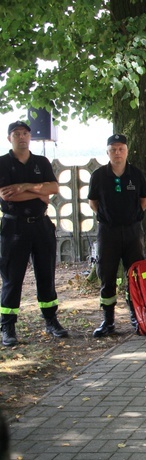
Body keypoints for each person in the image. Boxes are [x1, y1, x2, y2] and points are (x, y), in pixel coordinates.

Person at [0, 120, 68, 347]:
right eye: (16, 133)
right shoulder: (2, 163)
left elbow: (53, 189)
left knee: (46, 274)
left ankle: (51, 321)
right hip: (14, 228)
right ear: (9, 138)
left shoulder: (41, 162)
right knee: (12, 277)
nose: (22, 137)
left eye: (25, 133)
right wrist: (37, 190)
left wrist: (23, 186)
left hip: (41, 226)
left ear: (30, 137)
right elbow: (7, 195)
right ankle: (7, 325)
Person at [87, 134, 146, 337]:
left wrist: (130, 218)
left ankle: (137, 317)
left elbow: (144, 201)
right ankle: (108, 321)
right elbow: (93, 203)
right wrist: (108, 218)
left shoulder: (136, 174)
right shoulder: (98, 175)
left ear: (126, 151)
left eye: (121, 149)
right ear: (107, 152)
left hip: (132, 231)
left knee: (134, 275)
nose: (117, 153)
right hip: (108, 232)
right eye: (113, 149)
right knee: (107, 274)